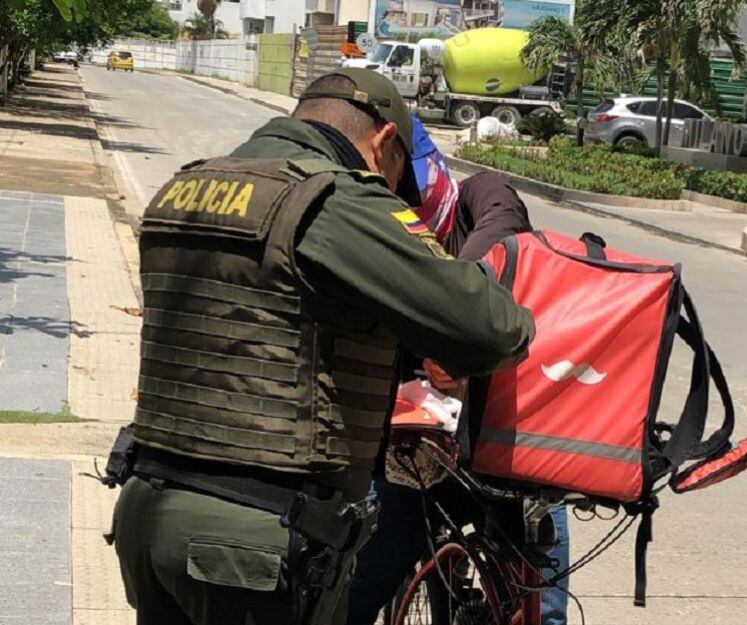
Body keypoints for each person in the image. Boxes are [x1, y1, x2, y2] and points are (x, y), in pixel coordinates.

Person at [108, 69, 534, 625]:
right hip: (249, 546)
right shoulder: (334, 200)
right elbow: (493, 327)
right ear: (384, 143)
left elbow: (267, 326)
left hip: (147, 514)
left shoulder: (184, 188)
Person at [346, 117, 570, 625]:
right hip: (417, 448)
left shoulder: (483, 196)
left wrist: (455, 333)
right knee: (373, 565)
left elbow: (501, 229)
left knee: (543, 574)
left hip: (497, 433)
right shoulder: (372, 234)